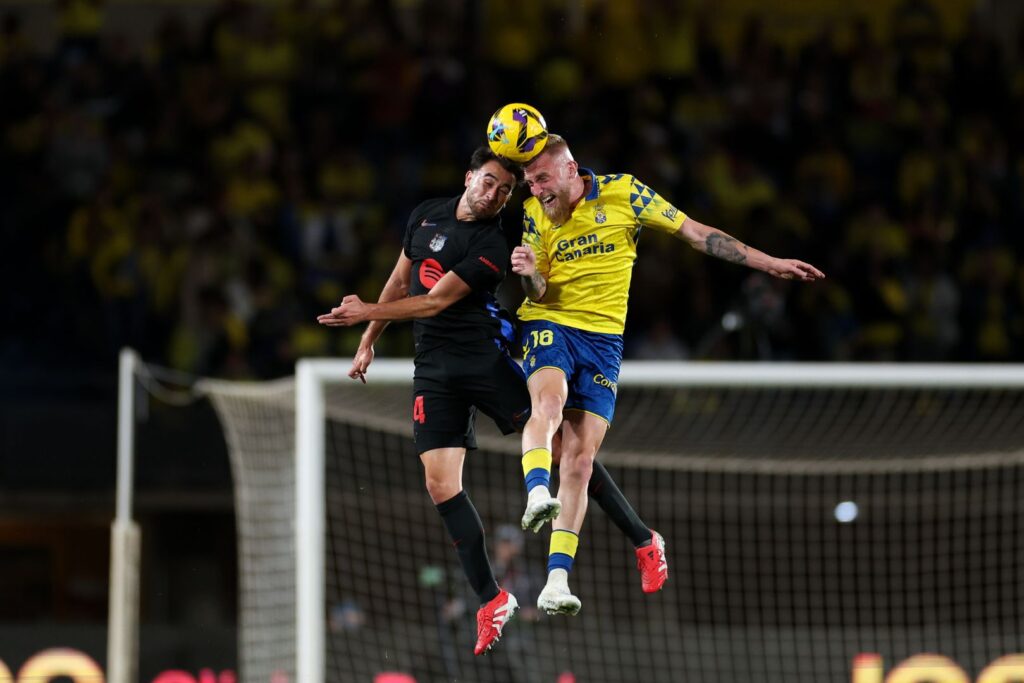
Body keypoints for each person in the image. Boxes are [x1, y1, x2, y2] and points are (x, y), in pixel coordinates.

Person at [316, 146, 664, 654]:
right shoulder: (425, 215)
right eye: (488, 183)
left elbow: (435, 301)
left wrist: (364, 309)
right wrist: (369, 337)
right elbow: (399, 280)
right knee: (439, 484)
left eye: (505, 190)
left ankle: (642, 539)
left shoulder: (493, 241)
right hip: (432, 369)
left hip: (484, 357)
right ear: (468, 177)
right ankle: (490, 600)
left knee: (570, 448)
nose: (495, 195)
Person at [511, 134, 825, 616]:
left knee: (578, 461)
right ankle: (536, 491)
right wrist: (530, 272)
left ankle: (556, 580)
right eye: (530, 182)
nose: (536, 190)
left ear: (572, 170)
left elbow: (698, 234)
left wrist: (771, 265)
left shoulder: (626, 194)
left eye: (543, 179)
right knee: (547, 405)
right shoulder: (534, 214)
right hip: (550, 322)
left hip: (603, 342)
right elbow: (540, 287)